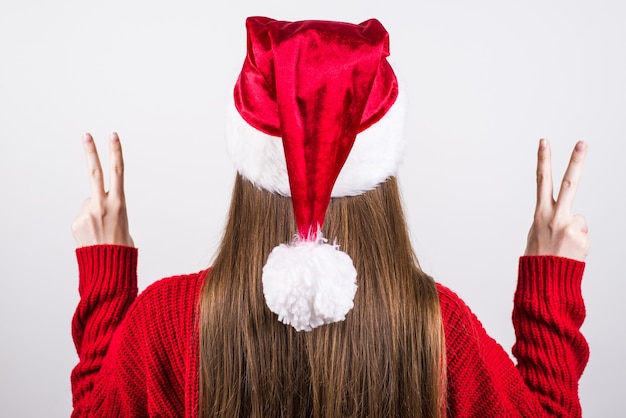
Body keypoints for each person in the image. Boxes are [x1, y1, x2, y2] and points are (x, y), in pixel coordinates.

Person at [70, 17, 589, 418]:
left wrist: (107, 285)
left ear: (249, 171)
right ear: (380, 176)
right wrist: (550, 288)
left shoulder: (166, 324)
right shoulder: (437, 332)